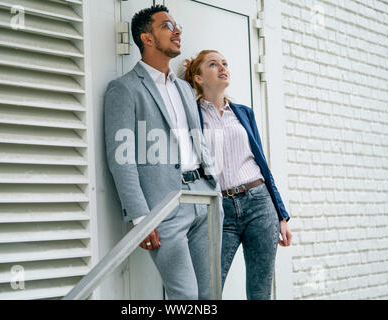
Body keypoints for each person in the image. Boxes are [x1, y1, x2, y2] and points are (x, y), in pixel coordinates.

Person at [104, 6, 221, 300]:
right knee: (186, 297)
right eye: (168, 26)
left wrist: (214, 187)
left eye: (177, 25)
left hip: (203, 199)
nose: (178, 31)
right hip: (165, 206)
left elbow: (199, 140)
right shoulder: (124, 89)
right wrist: (141, 218)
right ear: (147, 38)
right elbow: (122, 158)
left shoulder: (183, 89)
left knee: (210, 295)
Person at [184, 50, 292, 300]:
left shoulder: (244, 112)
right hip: (221, 209)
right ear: (198, 78)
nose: (222, 67)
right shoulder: (192, 116)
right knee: (209, 291)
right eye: (213, 64)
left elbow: (262, 163)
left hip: (259, 203)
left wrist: (281, 215)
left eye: (225, 62)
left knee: (260, 291)